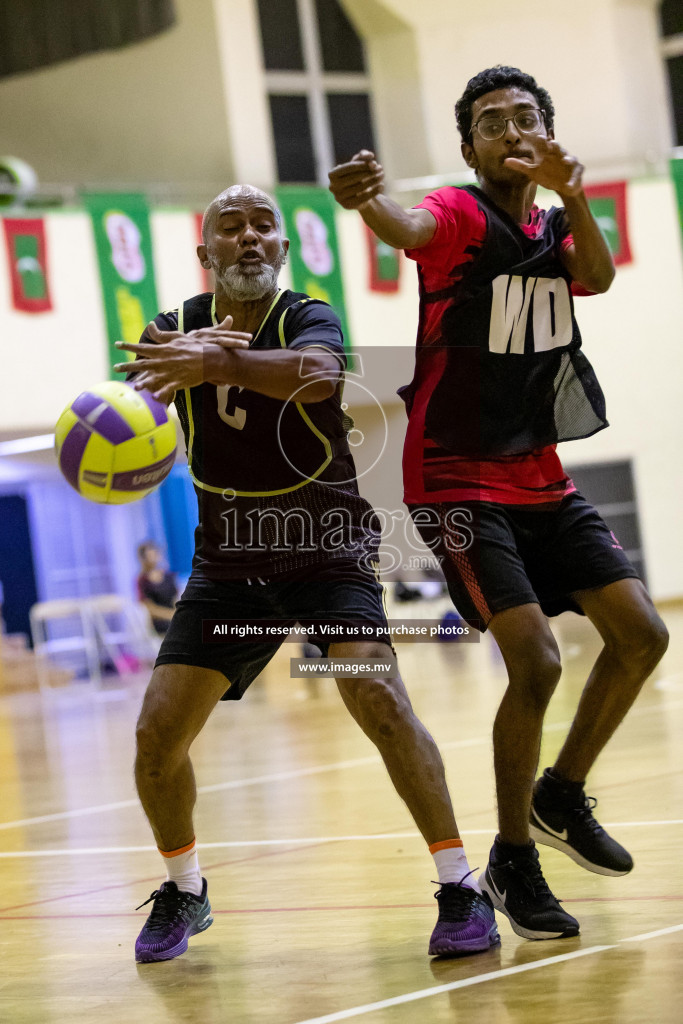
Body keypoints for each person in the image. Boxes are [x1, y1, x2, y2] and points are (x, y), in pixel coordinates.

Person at [114, 184, 500, 964]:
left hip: (324, 548)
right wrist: (117, 430)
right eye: (231, 227)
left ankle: (460, 885)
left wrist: (216, 360)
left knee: (378, 696)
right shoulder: (170, 331)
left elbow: (317, 377)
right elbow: (136, 411)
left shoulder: (308, 315)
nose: (250, 238)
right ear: (206, 253)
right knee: (157, 731)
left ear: (283, 250)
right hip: (228, 564)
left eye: (264, 227)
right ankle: (184, 889)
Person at [328, 65, 669, 941]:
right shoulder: (453, 215)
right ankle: (512, 856)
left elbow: (595, 276)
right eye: (490, 123)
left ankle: (559, 794)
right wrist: (367, 202)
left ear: (547, 132)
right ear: (470, 148)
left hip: (540, 477)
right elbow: (404, 224)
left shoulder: (556, 228)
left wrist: (576, 196)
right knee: (538, 658)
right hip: (452, 476)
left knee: (641, 633)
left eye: (525, 117)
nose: (509, 131)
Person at [136, 541, 178, 635]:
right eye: (150, 556)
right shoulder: (143, 581)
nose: (153, 558)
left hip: (174, 615)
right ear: (143, 559)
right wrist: (171, 615)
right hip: (160, 620)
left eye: (155, 554)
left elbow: (176, 599)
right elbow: (150, 609)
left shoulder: (168, 576)